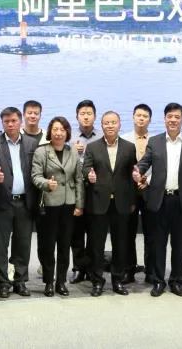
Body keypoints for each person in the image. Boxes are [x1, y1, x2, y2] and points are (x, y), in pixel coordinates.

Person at [134, 102, 182, 297]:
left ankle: (176, 281)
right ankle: (158, 281)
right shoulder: (155, 141)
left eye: (177, 117)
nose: (173, 120)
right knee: (158, 243)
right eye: (169, 116)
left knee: (180, 245)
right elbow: (145, 163)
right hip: (160, 200)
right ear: (164, 119)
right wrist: (137, 171)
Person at [0, 107, 40, 298]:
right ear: (2, 123)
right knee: (1, 245)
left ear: (20, 121)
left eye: (14, 121)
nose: (10, 124)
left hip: (25, 202)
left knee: (22, 244)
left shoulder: (31, 143)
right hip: (2, 202)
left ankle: (20, 281)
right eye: (6, 121)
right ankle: (3, 282)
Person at [83, 111, 138, 296]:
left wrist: (132, 200)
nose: (110, 125)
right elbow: (86, 168)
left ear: (119, 124)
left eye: (113, 122)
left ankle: (118, 280)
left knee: (120, 244)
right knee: (96, 245)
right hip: (99, 202)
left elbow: (132, 175)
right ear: (102, 125)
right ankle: (97, 281)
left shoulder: (129, 147)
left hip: (121, 203)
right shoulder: (92, 147)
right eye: (106, 123)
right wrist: (88, 175)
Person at [32, 116, 84, 297]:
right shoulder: (41, 151)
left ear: (67, 132)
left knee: (64, 244)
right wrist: (47, 183)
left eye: (62, 129)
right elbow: (35, 176)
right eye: (55, 129)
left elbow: (78, 179)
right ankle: (48, 281)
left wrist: (79, 204)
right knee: (47, 245)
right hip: (48, 204)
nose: (59, 133)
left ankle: (61, 281)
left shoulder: (73, 152)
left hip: (68, 204)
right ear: (50, 132)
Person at [121, 103, 153, 284]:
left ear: (150, 120)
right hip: (129, 192)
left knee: (151, 233)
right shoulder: (123, 139)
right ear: (133, 117)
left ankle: (151, 270)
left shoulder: (156, 140)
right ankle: (128, 270)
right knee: (128, 233)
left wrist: (148, 180)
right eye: (138, 115)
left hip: (150, 190)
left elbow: (161, 166)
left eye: (145, 116)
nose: (141, 119)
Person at [69, 100, 100, 285]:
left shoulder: (102, 136)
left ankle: (92, 269)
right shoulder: (70, 137)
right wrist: (71, 150)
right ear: (77, 116)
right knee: (77, 233)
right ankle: (78, 268)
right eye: (82, 113)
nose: (86, 117)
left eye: (89, 113)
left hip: (96, 190)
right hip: (75, 191)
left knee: (95, 232)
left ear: (95, 116)